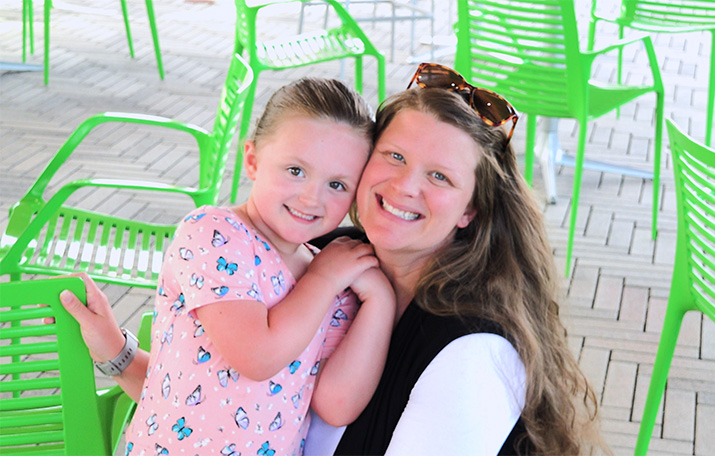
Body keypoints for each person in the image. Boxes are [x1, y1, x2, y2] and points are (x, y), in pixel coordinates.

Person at [62, 63, 603, 455]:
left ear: (470, 210)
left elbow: (331, 404)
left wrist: (372, 299)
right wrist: (117, 356)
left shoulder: (469, 354)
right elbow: (211, 393)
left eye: (440, 176)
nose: (405, 186)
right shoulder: (325, 255)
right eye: (394, 156)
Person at [58, 77, 395, 455]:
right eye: (295, 170)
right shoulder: (216, 235)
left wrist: (380, 301)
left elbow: (336, 405)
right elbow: (257, 356)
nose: (311, 197)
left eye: (337, 184)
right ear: (252, 160)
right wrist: (325, 278)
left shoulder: (330, 279)